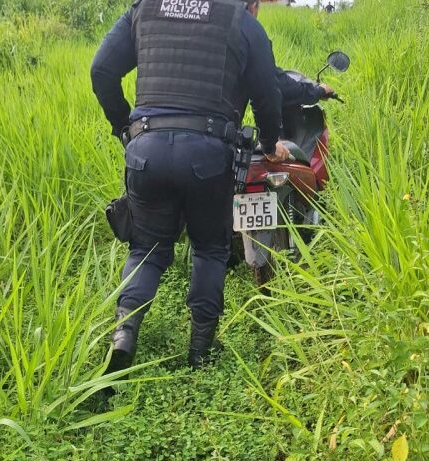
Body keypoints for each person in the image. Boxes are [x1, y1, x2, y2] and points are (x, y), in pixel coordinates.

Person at [91, 0, 290, 371]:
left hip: (146, 151)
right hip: (209, 157)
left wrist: (125, 129)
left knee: (145, 249)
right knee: (211, 249)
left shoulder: (146, 9)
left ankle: (124, 333)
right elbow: (268, 95)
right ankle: (200, 351)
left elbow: (101, 70)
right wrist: (268, 144)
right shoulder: (242, 23)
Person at [242, 0, 335, 107]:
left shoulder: (221, 17)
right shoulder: (251, 32)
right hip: (224, 121)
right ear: (253, 7)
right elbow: (273, 85)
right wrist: (318, 91)